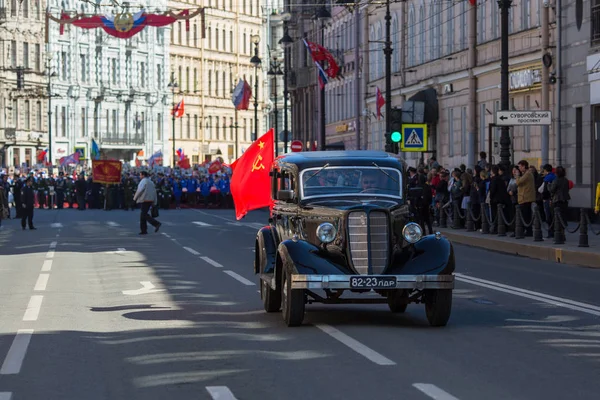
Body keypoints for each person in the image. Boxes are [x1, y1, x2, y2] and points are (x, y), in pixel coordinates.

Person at [133, 171, 161, 235]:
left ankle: (156, 223)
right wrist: (155, 201)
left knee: (144, 215)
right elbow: (154, 192)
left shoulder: (143, 181)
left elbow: (139, 190)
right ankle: (144, 230)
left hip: (144, 199)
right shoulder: (151, 182)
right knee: (143, 215)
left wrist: (135, 198)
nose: (140, 176)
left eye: (140, 175)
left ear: (143, 175)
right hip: (150, 200)